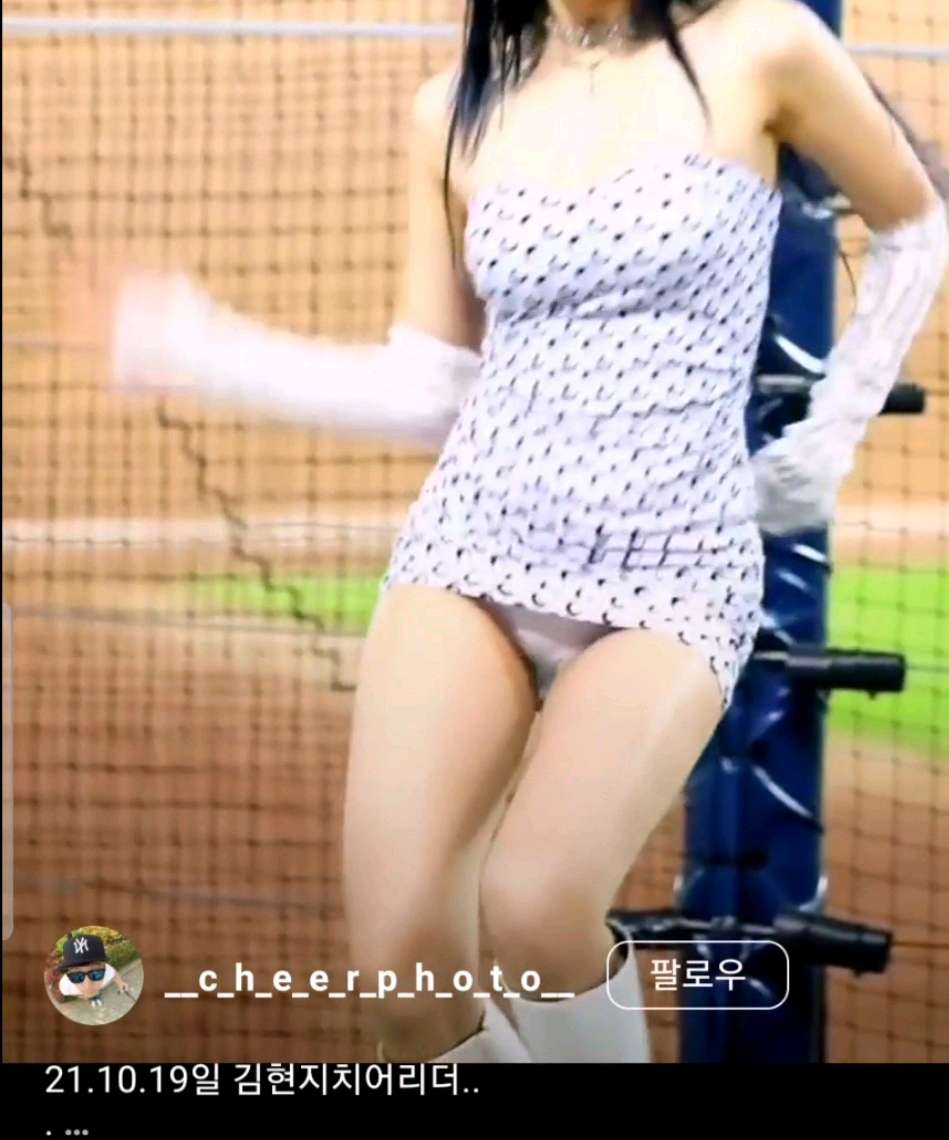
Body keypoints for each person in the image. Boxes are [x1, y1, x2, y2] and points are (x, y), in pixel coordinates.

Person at [84, 0, 946, 1063]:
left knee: (537, 904)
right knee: (402, 982)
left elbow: (916, 223)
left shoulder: (762, 44)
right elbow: (427, 390)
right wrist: (203, 349)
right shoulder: (451, 110)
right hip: (471, 548)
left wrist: (831, 434)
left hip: (673, 571)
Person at [56, 932, 134, 1007]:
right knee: (91, 996)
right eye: (77, 977)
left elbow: (114, 974)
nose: (88, 985)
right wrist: (82, 996)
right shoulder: (66, 987)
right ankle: (93, 998)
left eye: (96, 974)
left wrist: (120, 983)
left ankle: (95, 997)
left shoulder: (107, 973)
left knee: (93, 994)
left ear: (104, 968)